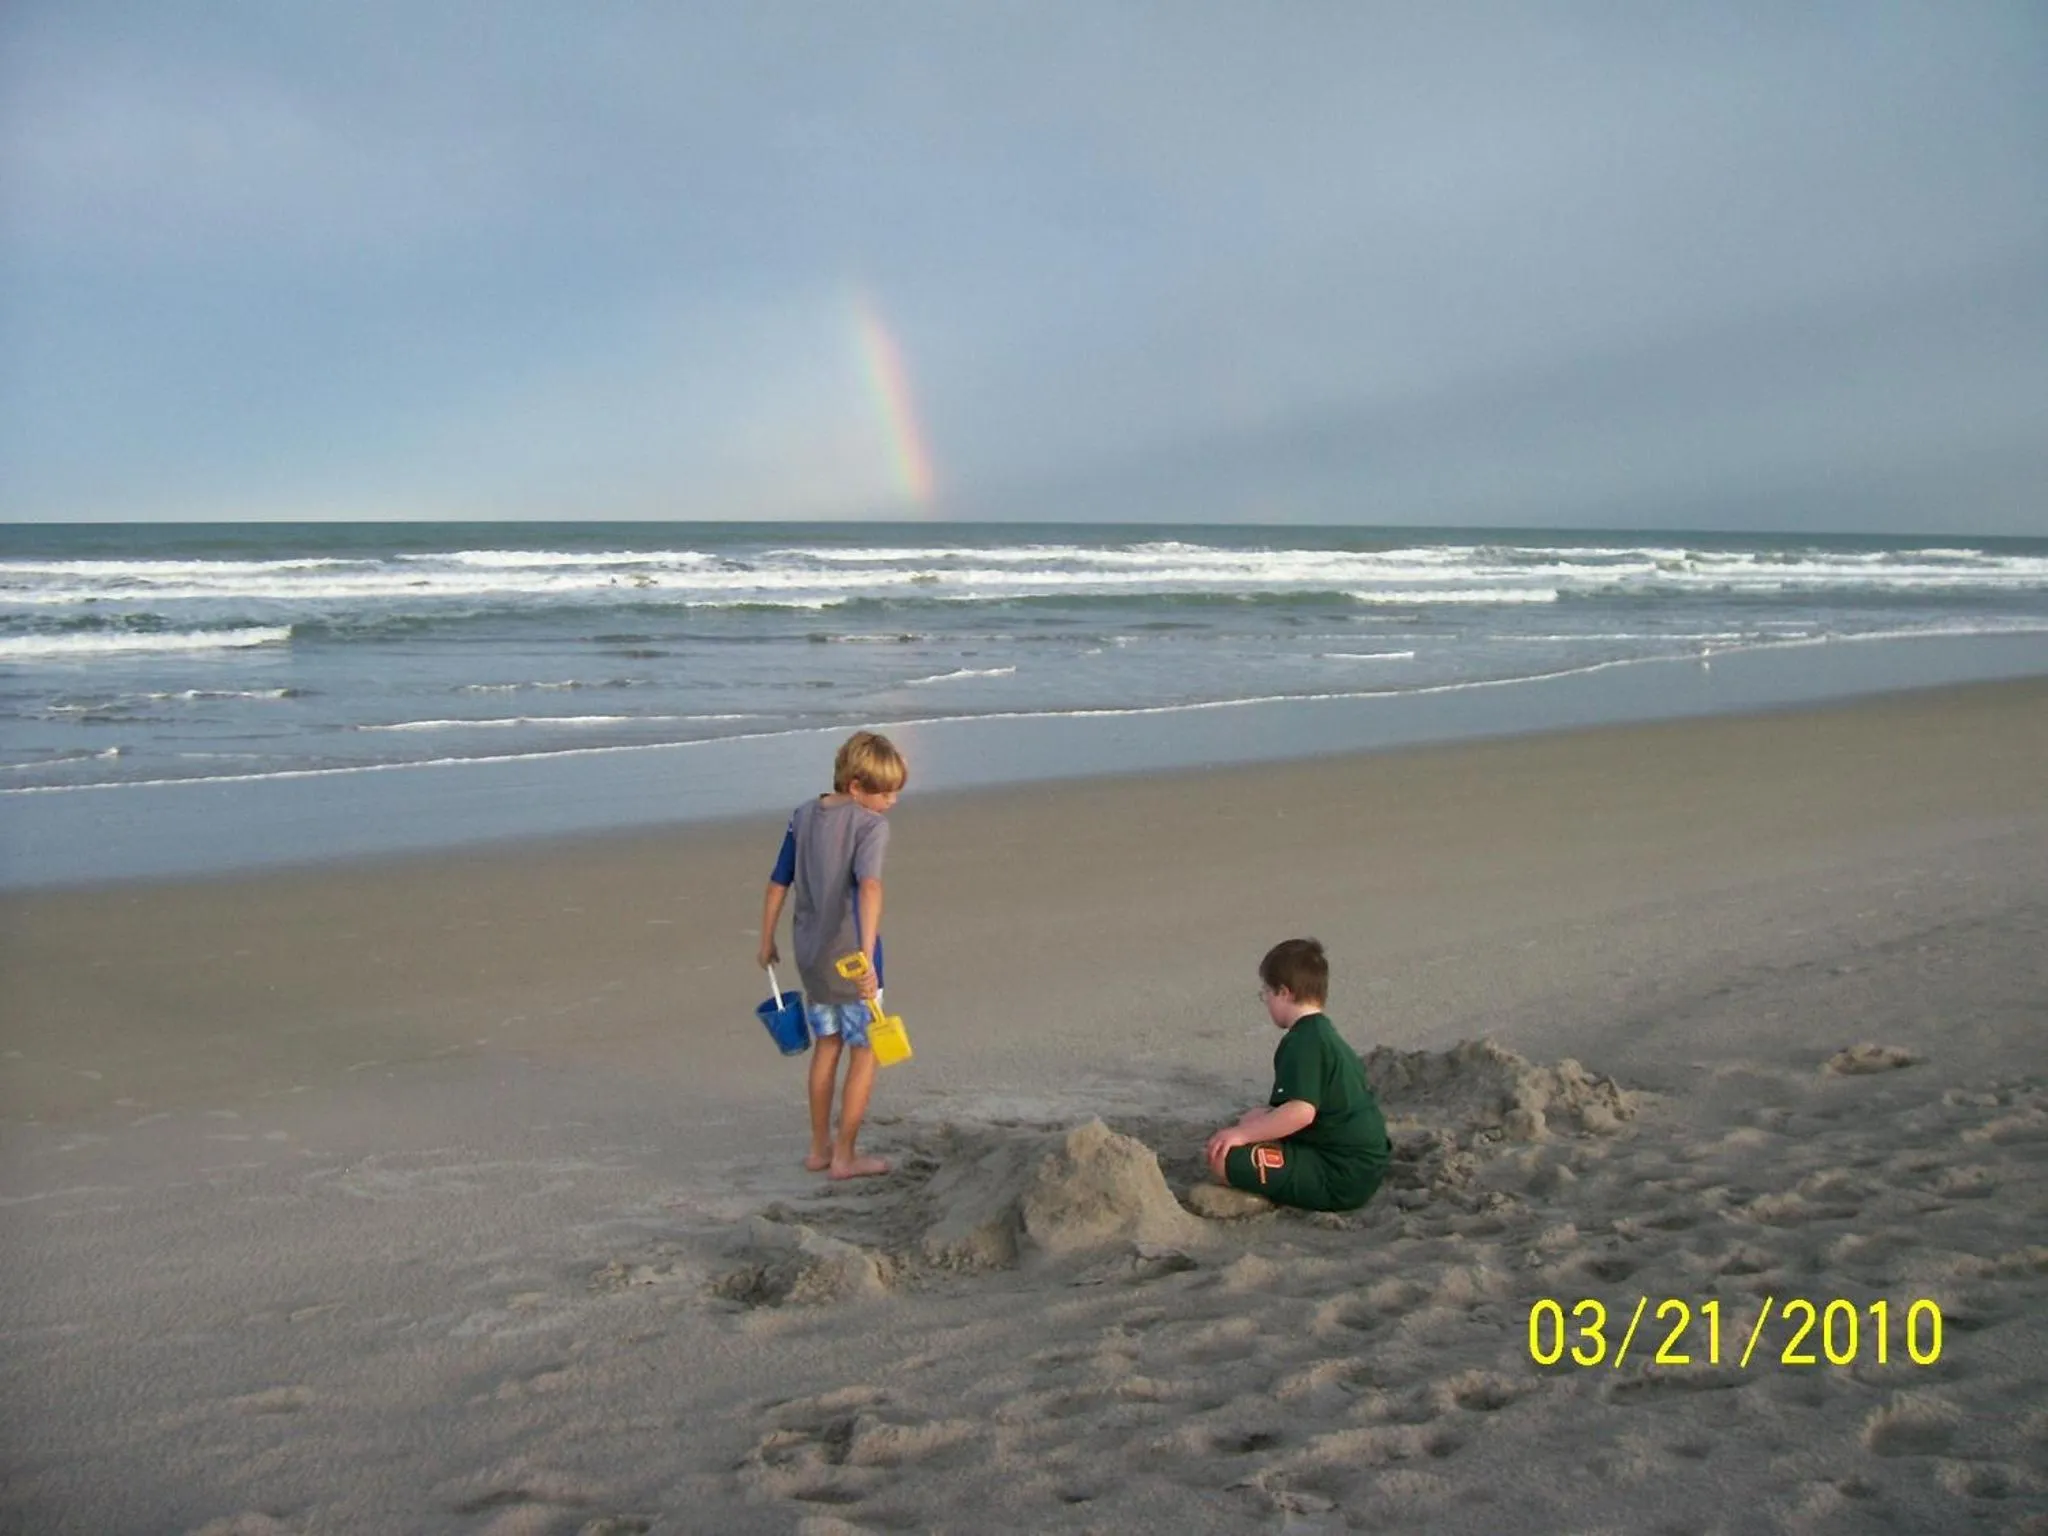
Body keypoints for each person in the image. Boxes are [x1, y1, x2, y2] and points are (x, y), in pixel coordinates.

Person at [758, 730, 907, 1180]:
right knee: (866, 1052)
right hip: (853, 961)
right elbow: (871, 887)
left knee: (827, 1045)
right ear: (856, 786)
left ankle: (819, 1148)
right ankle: (845, 1155)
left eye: (896, 791)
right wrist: (865, 957)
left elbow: (778, 880)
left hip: (811, 956)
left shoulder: (802, 815)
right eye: (883, 792)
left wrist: (766, 940)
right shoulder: (870, 825)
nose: (891, 801)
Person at [1204, 937, 1391, 1212]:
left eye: (1266, 992)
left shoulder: (1302, 1042)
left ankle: (1258, 1195)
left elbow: (1301, 1112)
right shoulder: (1325, 1035)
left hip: (1340, 1176)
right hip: (1363, 1164)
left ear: (1284, 992)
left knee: (1222, 1156)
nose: (1265, 1000)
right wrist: (1258, 1121)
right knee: (1256, 1117)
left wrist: (1242, 1135)